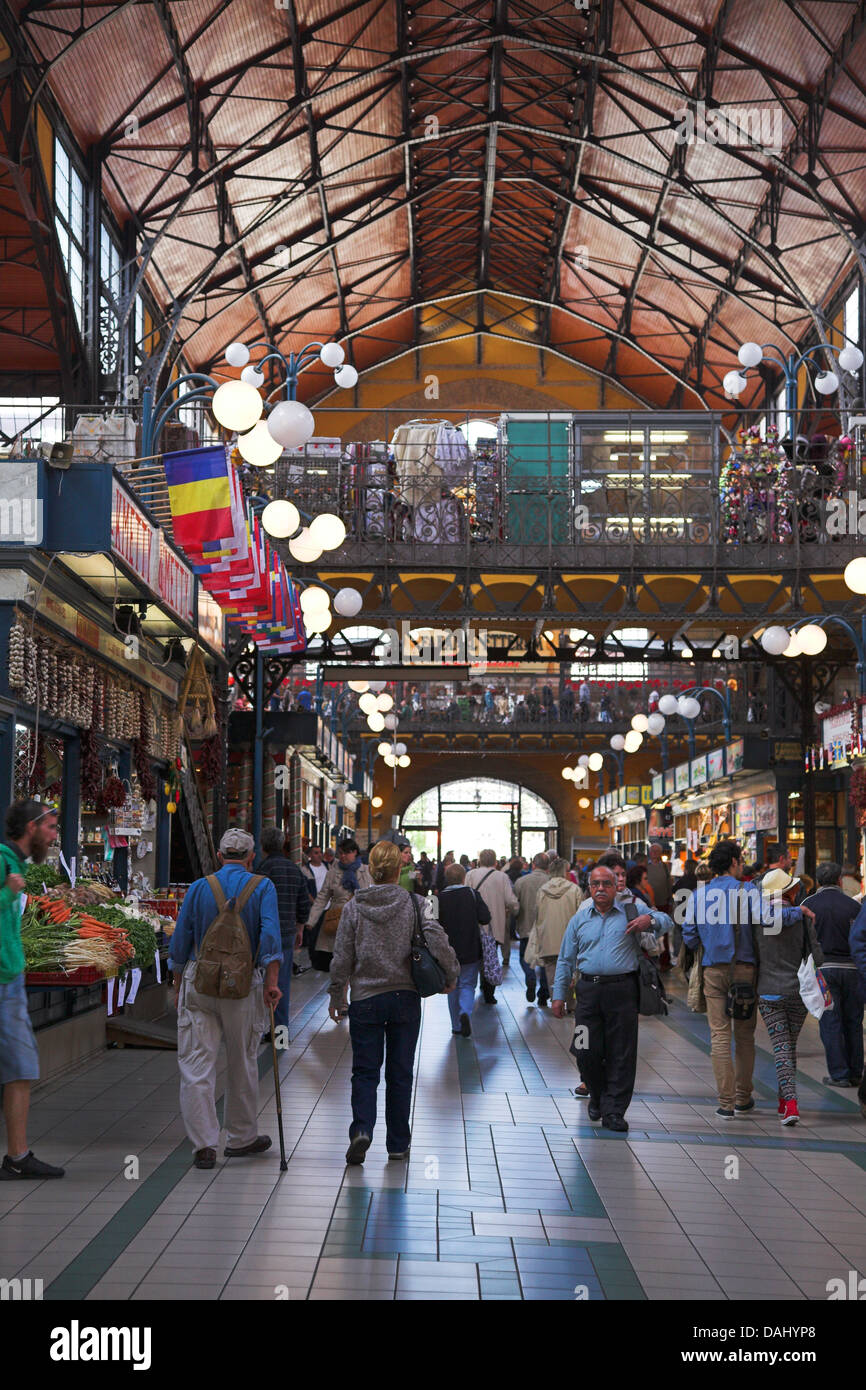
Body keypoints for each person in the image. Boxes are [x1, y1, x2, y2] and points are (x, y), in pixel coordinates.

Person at [328, 840, 459, 1164]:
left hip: (366, 999)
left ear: (371, 869)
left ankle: (362, 1130)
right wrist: (451, 972)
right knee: (400, 1072)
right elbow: (437, 938)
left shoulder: (354, 906)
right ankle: (398, 1143)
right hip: (404, 997)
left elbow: (342, 954)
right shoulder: (417, 903)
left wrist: (336, 993)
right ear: (399, 868)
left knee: (364, 1071)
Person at [169, 828, 283, 1169]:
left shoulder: (200, 886)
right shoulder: (263, 886)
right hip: (243, 984)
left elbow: (180, 939)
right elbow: (271, 935)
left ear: (219, 856)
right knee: (243, 1059)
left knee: (196, 1064)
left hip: (199, 982)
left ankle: (204, 1145)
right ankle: (241, 1137)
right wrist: (272, 983)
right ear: (251, 858)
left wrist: (177, 985)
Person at [552, 864, 671, 1131]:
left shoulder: (632, 909)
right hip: (587, 993)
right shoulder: (580, 918)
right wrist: (558, 995)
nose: (601, 889)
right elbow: (565, 960)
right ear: (589, 887)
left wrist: (649, 921)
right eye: (596, 884)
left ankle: (614, 1110)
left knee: (622, 1052)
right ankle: (597, 1093)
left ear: (616, 886)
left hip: (622, 992)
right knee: (584, 1049)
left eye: (607, 883)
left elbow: (667, 921)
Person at [0, 799, 65, 1180]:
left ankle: (18, 1155)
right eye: (52, 828)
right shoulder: (4, 864)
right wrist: (8, 893)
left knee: (19, 1070)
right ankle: (18, 1157)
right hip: (4, 980)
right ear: (31, 827)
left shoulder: (16, 864)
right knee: (21, 1068)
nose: (55, 836)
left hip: (10, 978)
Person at [682, 840, 763, 1119]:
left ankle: (725, 1103)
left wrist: (709, 940)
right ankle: (743, 1099)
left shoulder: (699, 894)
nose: (742, 864)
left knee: (719, 1035)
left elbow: (689, 935)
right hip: (744, 970)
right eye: (740, 859)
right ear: (733, 862)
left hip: (712, 970)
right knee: (744, 1036)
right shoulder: (747, 890)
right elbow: (766, 919)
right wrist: (795, 912)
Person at [755, 870, 820, 1126]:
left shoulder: (758, 920)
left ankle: (788, 1102)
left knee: (782, 1047)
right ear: (789, 892)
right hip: (797, 991)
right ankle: (787, 1102)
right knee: (787, 1046)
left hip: (769, 991)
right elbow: (816, 953)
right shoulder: (801, 919)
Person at [801, 863, 863, 1088]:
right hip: (853, 970)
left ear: (818, 882)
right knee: (854, 1021)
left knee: (831, 1021)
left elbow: (803, 941)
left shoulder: (808, 904)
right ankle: (857, 1071)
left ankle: (839, 1073)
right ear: (839, 881)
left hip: (823, 971)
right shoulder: (853, 906)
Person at [257, 826, 310, 1039]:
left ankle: (261, 1029)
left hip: (264, 934)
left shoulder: (262, 870)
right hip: (287, 932)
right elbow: (303, 904)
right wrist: (299, 929)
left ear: (262, 847)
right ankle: (280, 1033)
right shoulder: (294, 869)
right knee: (281, 983)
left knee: (261, 980)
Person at [437, 862, 491, 1036]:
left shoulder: (437, 898)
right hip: (470, 948)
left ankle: (456, 1026)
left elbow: (430, 926)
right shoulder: (473, 894)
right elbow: (485, 918)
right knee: (467, 984)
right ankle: (465, 1013)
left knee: (452, 986)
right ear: (464, 877)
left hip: (447, 951)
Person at [525, 858, 582, 1008]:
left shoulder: (542, 890)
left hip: (548, 938)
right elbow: (580, 916)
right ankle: (570, 1004)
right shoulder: (574, 889)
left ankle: (556, 1002)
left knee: (552, 974)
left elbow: (537, 914)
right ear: (565, 871)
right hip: (569, 939)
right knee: (571, 972)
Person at [309, 838, 372, 970]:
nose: (343, 856)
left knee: (358, 962)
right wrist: (311, 920)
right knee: (339, 963)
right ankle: (340, 988)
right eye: (341, 853)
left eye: (347, 853)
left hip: (359, 919)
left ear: (355, 852)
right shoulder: (333, 872)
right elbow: (322, 897)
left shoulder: (366, 871)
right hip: (337, 920)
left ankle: (353, 988)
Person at [466, 849, 519, 1000]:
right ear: (495, 862)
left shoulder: (471, 875)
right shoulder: (502, 877)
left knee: (476, 955)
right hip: (494, 924)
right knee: (490, 956)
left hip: (474, 923)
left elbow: (466, 895)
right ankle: (489, 991)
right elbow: (510, 900)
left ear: (479, 861)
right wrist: (516, 911)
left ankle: (472, 986)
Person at [513, 852, 551, 1004]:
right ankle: (543, 994)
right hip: (546, 927)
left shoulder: (521, 881)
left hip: (526, 926)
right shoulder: (551, 882)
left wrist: (516, 918)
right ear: (548, 866)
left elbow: (515, 905)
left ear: (533, 865)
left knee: (524, 956)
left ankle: (530, 975)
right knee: (545, 960)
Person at [646, 845, 672, 912]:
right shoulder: (645, 866)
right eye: (652, 851)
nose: (654, 853)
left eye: (657, 851)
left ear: (660, 853)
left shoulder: (665, 866)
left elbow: (668, 883)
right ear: (650, 852)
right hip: (649, 903)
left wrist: (670, 901)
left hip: (663, 903)